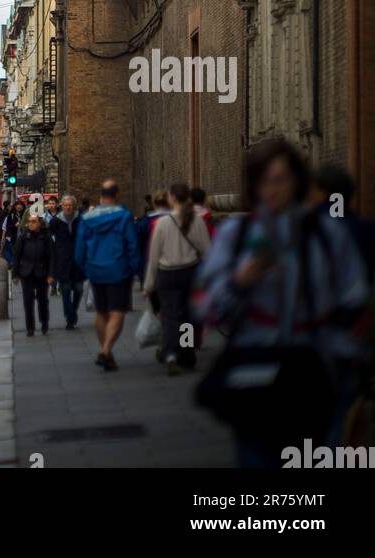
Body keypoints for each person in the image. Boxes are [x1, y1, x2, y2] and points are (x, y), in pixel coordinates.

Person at [194, 138, 368, 468]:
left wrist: (345, 359)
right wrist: (240, 281)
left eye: (281, 179)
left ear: (298, 181)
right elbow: (205, 306)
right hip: (254, 374)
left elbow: (354, 298)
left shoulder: (327, 234)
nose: (272, 189)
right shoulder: (236, 234)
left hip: (312, 374)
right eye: (263, 180)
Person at [143, 182, 210, 374]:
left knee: (170, 315)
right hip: (191, 273)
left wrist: (148, 285)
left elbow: (153, 257)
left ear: (172, 198)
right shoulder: (197, 221)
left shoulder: (163, 223)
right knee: (188, 316)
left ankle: (171, 352)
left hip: (167, 275)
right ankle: (186, 352)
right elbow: (208, 251)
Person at [74, 180, 138, 371]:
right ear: (116, 196)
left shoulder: (87, 218)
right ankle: (106, 349)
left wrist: (85, 268)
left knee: (101, 312)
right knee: (117, 311)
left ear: (100, 196)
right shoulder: (124, 216)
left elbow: (79, 249)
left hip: (95, 270)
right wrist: (134, 268)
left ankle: (106, 353)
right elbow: (132, 245)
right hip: (118, 269)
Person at [12, 210, 53, 336]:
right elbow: (17, 256)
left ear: (39, 224)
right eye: (29, 222)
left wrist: (51, 274)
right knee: (28, 300)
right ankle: (30, 327)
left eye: (34, 222)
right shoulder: (23, 237)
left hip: (42, 271)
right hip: (26, 272)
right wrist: (15, 274)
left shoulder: (45, 237)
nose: (31, 224)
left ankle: (44, 322)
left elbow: (51, 256)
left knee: (42, 300)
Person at [49, 193, 84, 329]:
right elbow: (49, 238)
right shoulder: (56, 221)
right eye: (65, 205)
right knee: (66, 289)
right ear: (61, 206)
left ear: (74, 206)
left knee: (79, 289)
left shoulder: (80, 220)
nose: (68, 208)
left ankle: (73, 310)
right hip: (62, 260)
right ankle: (69, 317)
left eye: (70, 205)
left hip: (77, 260)